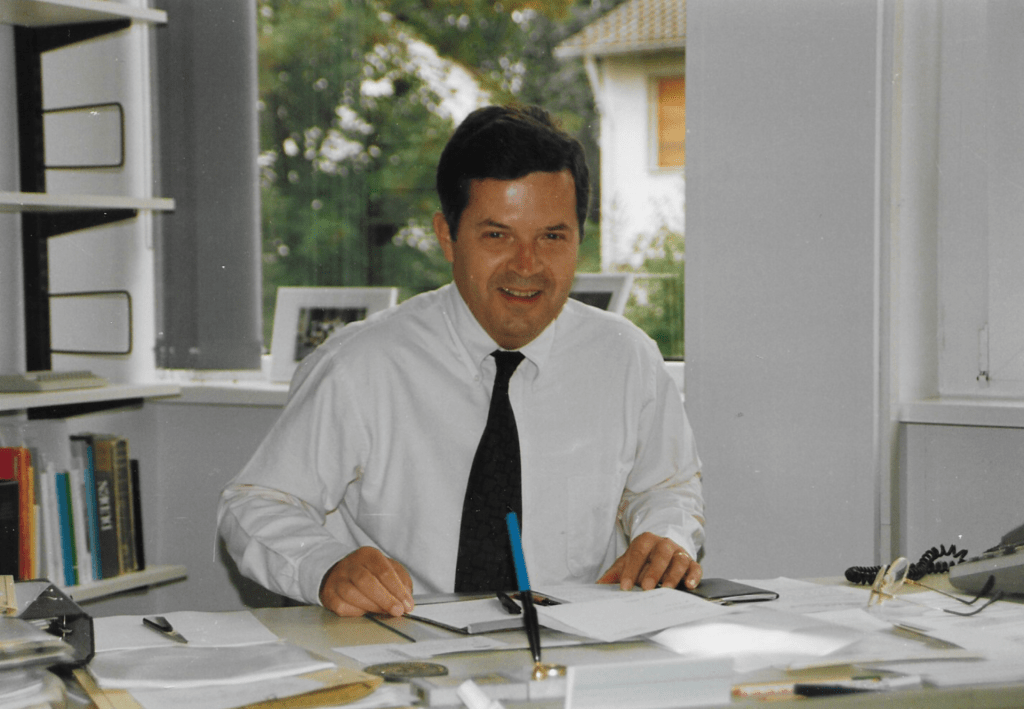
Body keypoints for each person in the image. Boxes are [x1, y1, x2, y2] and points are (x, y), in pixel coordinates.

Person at [217, 104, 705, 618]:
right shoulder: (360, 365)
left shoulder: (626, 358)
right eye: (497, 235)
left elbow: (667, 486)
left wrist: (664, 535)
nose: (527, 266)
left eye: (552, 237)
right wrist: (324, 566)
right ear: (447, 237)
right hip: (406, 646)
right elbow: (254, 503)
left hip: (575, 644)